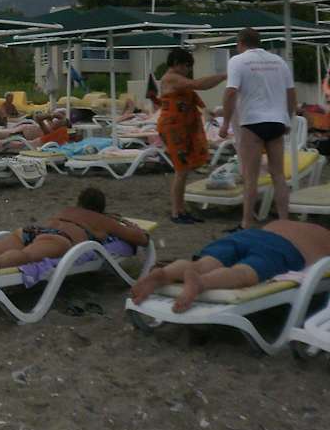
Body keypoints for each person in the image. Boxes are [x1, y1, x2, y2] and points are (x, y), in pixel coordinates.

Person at [0, 186, 149, 278]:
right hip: (58, 239)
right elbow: (139, 239)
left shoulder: (67, 210)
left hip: (31, 230)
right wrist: (133, 228)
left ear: (79, 201)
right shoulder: (102, 220)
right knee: (27, 256)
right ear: (100, 208)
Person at [130, 219, 330, 313]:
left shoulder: (284, 222)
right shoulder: (325, 237)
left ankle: (165, 273)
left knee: (203, 263)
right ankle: (202, 282)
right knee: (243, 272)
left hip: (249, 235)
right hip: (283, 249)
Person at [224, 28, 297, 229]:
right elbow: (291, 93)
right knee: (278, 175)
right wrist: (287, 119)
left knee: (251, 177)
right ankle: (284, 222)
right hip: (277, 121)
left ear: (240, 43)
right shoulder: (279, 61)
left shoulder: (237, 61)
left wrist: (225, 123)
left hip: (252, 122)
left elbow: (230, 93)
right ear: (259, 42)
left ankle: (247, 223)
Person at [155, 47, 227, 224]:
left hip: (182, 126)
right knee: (181, 171)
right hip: (173, 128)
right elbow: (199, 85)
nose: (188, 70)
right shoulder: (171, 78)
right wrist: (225, 75)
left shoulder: (178, 80)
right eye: (187, 66)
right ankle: (176, 212)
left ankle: (181, 210)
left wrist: (208, 111)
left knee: (184, 170)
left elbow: (194, 97)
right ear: (177, 64)